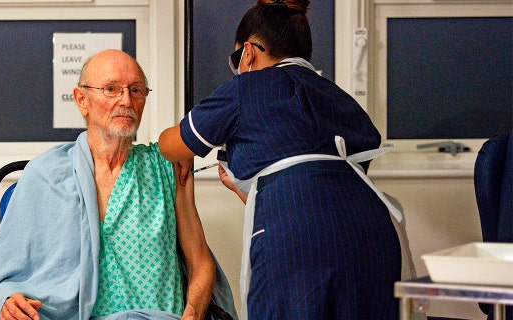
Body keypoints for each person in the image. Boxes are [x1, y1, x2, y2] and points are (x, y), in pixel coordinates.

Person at [159, 0, 405, 319]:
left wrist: (174, 146)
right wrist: (239, 187)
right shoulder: (342, 100)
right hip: (374, 236)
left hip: (298, 244)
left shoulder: (247, 87)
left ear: (247, 52)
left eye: (237, 58)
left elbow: (172, 146)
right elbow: (321, 194)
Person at [0, 49, 237, 320]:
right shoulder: (45, 174)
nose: (126, 100)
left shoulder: (167, 167)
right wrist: (7, 301)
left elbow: (200, 263)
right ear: (81, 100)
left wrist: (192, 314)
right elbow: (6, 275)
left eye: (136, 90)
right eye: (111, 89)